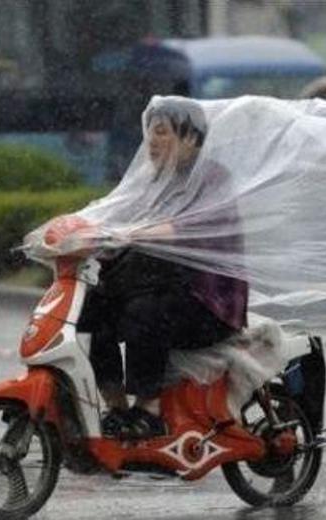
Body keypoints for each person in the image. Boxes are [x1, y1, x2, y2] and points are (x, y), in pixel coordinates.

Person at [77, 98, 249, 439]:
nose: (152, 141)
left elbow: (189, 227)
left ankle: (149, 409)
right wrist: (77, 232)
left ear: (192, 138)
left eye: (162, 132)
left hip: (207, 303)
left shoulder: (212, 179)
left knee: (145, 313)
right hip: (159, 287)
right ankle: (116, 408)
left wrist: (132, 233)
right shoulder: (152, 182)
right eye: (150, 133)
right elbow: (113, 214)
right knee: (94, 307)